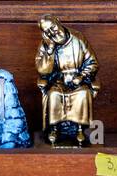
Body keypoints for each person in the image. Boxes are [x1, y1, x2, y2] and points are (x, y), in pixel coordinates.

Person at [35, 14, 99, 146]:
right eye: (48, 31)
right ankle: (55, 129)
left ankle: (79, 129)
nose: (53, 32)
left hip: (79, 80)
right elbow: (43, 70)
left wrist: (81, 76)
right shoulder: (46, 45)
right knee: (53, 95)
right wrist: (50, 49)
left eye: (53, 27)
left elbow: (93, 62)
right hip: (58, 81)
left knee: (83, 94)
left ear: (58, 21)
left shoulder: (78, 38)